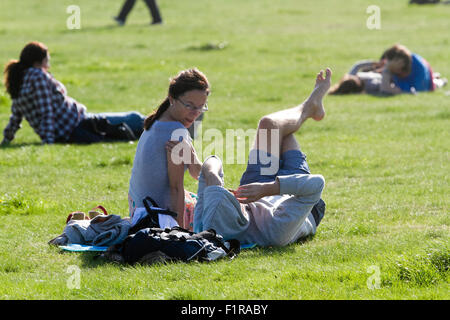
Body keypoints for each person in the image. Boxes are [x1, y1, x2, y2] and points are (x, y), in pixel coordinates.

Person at [187, 68, 332, 247]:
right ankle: (311, 105)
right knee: (281, 132)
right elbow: (315, 185)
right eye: (233, 202)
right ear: (238, 215)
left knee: (269, 125)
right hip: (294, 198)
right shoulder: (275, 232)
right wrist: (267, 189)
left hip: (255, 194)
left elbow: (211, 162)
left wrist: (213, 176)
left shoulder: (208, 224)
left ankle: (312, 105)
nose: (231, 194)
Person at [1, 42, 145, 145]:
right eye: (47, 61)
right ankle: (166, 126)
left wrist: (7, 139)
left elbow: (16, 116)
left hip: (74, 126)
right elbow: (47, 111)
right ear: (37, 63)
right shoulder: (38, 77)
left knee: (135, 127)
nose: (48, 66)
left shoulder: (19, 81)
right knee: (136, 119)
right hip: (78, 124)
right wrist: (49, 142)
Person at [128, 68, 209, 228]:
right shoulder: (175, 132)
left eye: (201, 107)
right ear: (172, 99)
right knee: (215, 210)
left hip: (138, 213)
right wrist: (178, 233)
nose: (196, 114)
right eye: (189, 106)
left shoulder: (157, 121)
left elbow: (196, 173)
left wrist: (191, 156)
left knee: (198, 198)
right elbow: (176, 190)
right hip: (157, 218)